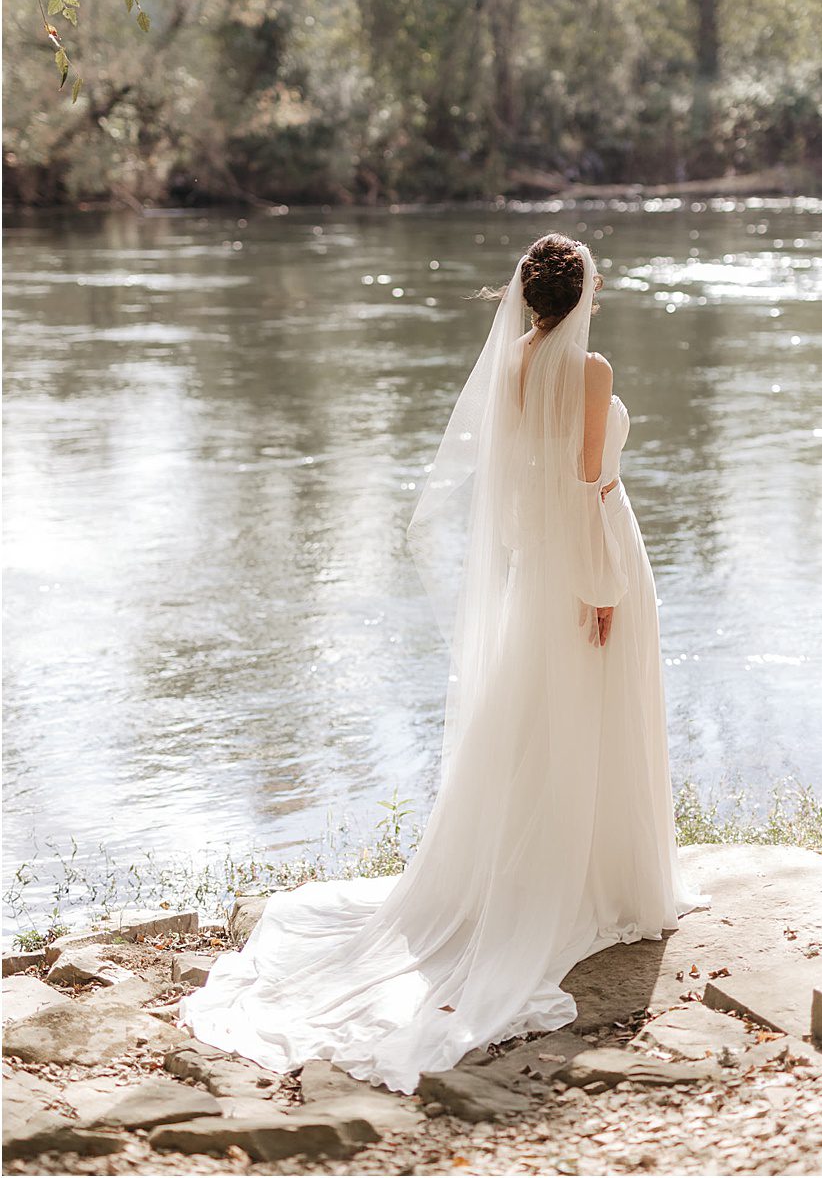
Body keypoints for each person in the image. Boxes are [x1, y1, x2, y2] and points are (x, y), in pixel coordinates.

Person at [182, 234, 702, 1094]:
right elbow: (582, 486)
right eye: (597, 278)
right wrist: (600, 585)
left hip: (542, 566)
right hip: (594, 553)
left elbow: (522, 482)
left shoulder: (517, 358)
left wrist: (559, 571)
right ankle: (610, 879)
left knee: (544, 715)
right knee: (594, 708)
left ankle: (569, 867)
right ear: (581, 292)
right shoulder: (591, 367)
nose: (603, 286)